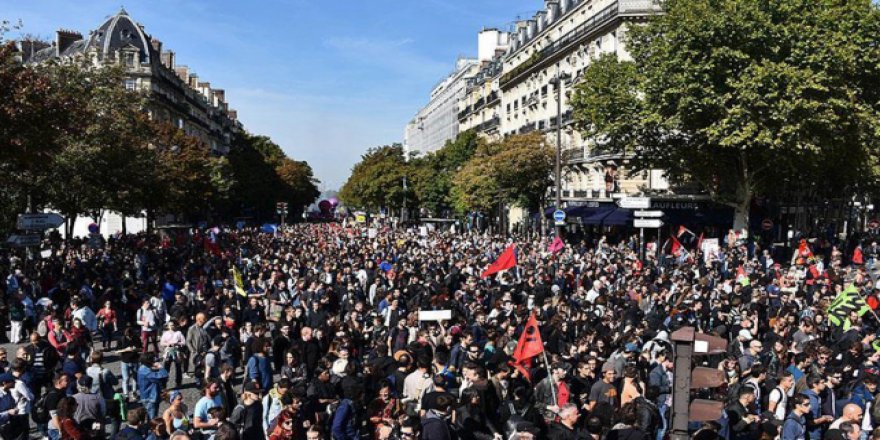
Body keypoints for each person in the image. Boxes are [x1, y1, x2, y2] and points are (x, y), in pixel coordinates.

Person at [137, 353, 169, 420]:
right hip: (150, 398)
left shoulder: (144, 368)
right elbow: (163, 376)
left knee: (152, 417)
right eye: (153, 359)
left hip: (151, 396)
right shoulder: (145, 371)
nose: (155, 360)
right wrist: (161, 368)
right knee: (153, 419)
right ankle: (151, 430)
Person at [159, 322, 186, 389]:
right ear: (168, 326)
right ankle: (164, 384)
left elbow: (184, 342)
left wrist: (177, 343)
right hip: (168, 352)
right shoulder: (165, 333)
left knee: (178, 368)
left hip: (177, 352)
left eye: (173, 325)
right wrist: (167, 344)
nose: (172, 326)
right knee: (166, 368)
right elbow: (162, 343)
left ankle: (178, 383)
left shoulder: (178, 333)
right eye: (170, 325)